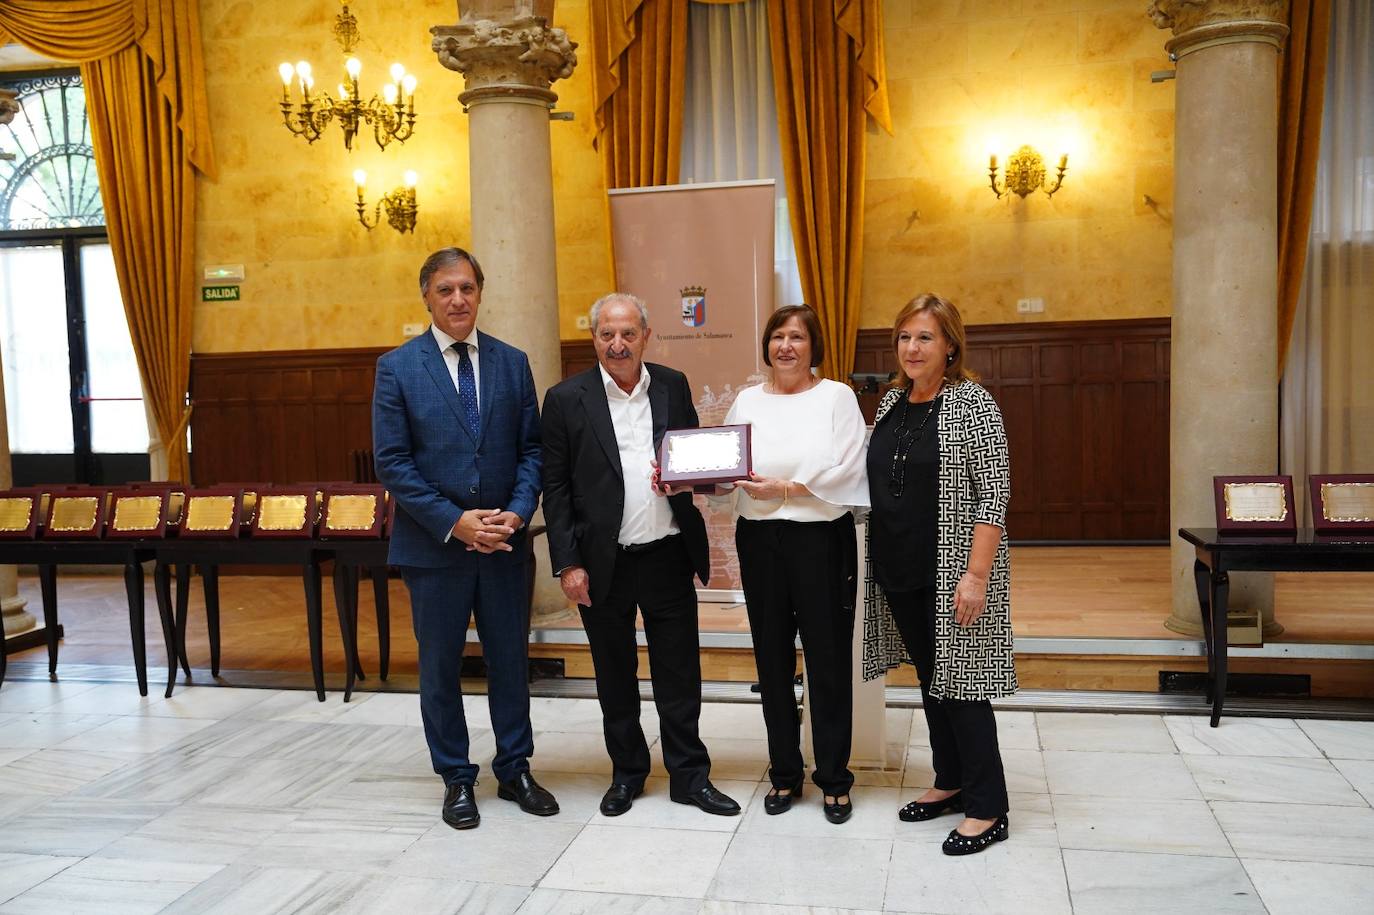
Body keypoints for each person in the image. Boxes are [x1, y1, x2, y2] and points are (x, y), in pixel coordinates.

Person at [372, 246, 557, 830]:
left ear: (481, 293)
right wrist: (456, 521)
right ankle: (456, 776)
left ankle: (515, 768)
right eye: (446, 290)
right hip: (434, 548)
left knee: (509, 662)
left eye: (468, 289)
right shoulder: (397, 368)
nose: (458, 299)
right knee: (440, 668)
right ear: (426, 295)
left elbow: (532, 450)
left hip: (505, 544)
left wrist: (518, 513)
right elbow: (393, 463)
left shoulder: (512, 362)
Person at [541, 293, 740, 818]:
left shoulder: (671, 385)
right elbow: (555, 488)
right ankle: (627, 774)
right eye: (607, 334)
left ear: (645, 336)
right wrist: (567, 562)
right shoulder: (565, 399)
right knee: (614, 674)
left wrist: (693, 477)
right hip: (600, 562)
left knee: (679, 673)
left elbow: (697, 457)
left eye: (628, 333)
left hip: (667, 554)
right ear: (594, 339)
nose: (618, 343)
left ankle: (689, 777)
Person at [866, 292, 1015, 856]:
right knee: (934, 683)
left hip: (956, 570)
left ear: (950, 345)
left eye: (925, 337)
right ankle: (950, 780)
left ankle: (988, 806)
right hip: (899, 567)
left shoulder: (972, 404)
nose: (912, 348)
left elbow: (993, 496)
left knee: (966, 686)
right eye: (905, 337)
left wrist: (976, 576)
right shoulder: (889, 404)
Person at [718, 304, 869, 824]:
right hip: (759, 539)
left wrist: (785, 487)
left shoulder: (837, 397)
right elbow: (725, 462)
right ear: (766, 345)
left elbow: (848, 467)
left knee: (826, 659)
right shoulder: (746, 399)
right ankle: (784, 773)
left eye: (797, 337)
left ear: (814, 346)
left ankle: (834, 778)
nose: (786, 346)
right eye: (777, 336)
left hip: (821, 539)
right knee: (772, 660)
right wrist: (684, 474)